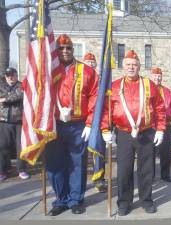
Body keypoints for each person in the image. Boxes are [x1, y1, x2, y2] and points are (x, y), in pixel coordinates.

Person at [101, 50, 166, 216]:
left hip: (146, 132)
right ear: (123, 67)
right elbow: (106, 110)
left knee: (146, 170)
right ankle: (124, 202)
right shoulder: (115, 86)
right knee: (124, 170)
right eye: (128, 65)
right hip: (123, 133)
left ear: (139, 67)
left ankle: (146, 200)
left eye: (134, 65)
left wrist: (160, 129)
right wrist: (105, 129)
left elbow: (159, 107)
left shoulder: (148, 84)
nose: (131, 67)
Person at [45, 34, 100, 216]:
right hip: (54, 125)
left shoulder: (87, 71)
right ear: (56, 50)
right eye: (61, 48)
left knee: (77, 164)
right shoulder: (48, 71)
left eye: (68, 48)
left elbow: (95, 97)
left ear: (73, 49)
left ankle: (76, 200)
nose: (65, 51)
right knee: (55, 164)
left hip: (78, 125)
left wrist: (90, 124)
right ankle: (61, 200)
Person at [82, 52, 107, 193]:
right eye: (88, 63)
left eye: (93, 63)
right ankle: (80, 181)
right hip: (80, 121)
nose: (90, 65)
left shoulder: (100, 80)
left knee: (98, 151)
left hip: (96, 120)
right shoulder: (78, 77)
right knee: (81, 154)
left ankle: (99, 179)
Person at [0, 67, 30, 181]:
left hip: (19, 121)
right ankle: (2, 171)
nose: (11, 77)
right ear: (6, 77)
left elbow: (19, 95)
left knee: (21, 147)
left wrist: (4, 99)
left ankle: (22, 170)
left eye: (13, 75)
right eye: (8, 75)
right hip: (3, 121)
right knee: (3, 147)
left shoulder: (21, 85)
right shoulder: (1, 86)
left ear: (17, 75)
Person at [151, 67, 171, 182]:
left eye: (159, 76)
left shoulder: (167, 91)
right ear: (152, 77)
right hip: (150, 127)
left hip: (165, 126)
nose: (157, 78)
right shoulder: (147, 90)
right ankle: (150, 176)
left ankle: (165, 174)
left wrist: (169, 113)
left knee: (165, 152)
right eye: (155, 76)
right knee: (150, 152)